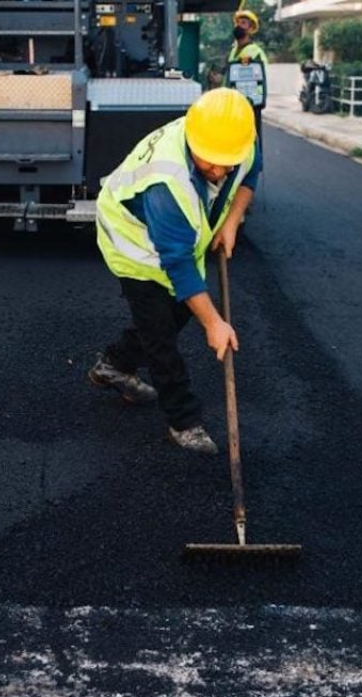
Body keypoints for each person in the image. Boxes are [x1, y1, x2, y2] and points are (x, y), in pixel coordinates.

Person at [89, 88, 261, 455]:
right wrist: (215, 324)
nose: (219, 170)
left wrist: (231, 220)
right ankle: (184, 422)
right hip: (134, 243)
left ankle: (113, 365)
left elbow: (251, 172)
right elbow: (179, 267)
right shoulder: (166, 187)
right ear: (193, 141)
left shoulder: (234, 135)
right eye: (210, 161)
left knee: (179, 311)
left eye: (226, 161)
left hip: (181, 243)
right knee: (160, 334)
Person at [225, 9, 267, 151]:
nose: (238, 26)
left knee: (251, 140)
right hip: (233, 103)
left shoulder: (256, 52)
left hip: (250, 105)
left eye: (243, 23)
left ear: (250, 29)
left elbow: (261, 79)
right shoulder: (233, 51)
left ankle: (254, 168)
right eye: (237, 23)